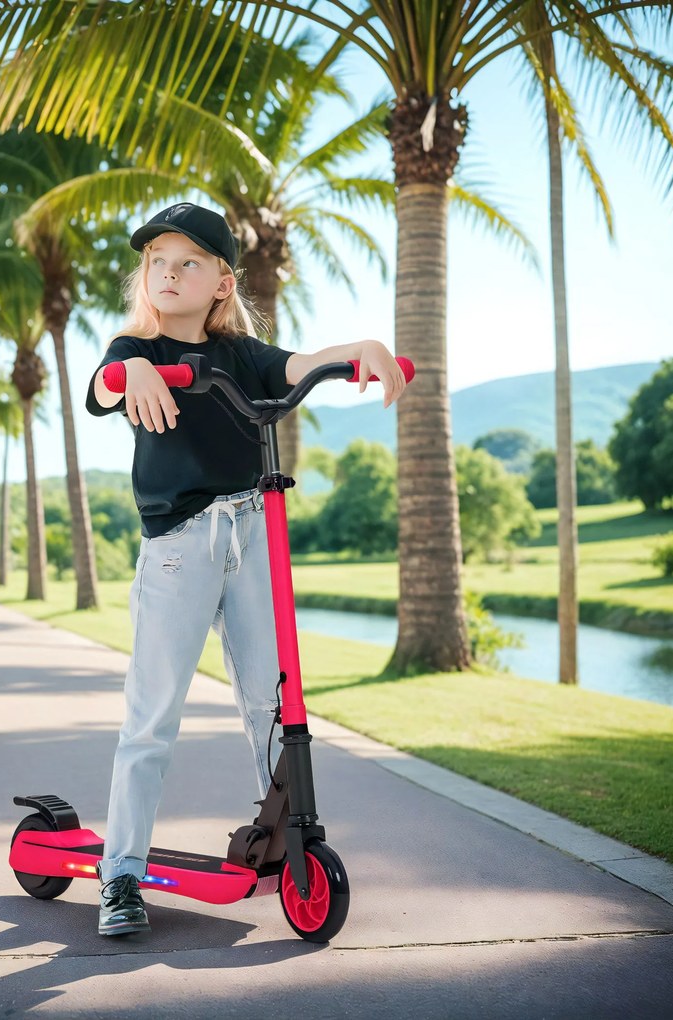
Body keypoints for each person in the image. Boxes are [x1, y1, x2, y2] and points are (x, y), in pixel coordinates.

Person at [85, 202, 407, 936]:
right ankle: (121, 877)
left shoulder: (241, 357)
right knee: (153, 714)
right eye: (157, 261)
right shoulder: (129, 347)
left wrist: (355, 349)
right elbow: (105, 386)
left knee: (272, 702)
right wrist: (132, 370)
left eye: (188, 262)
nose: (168, 272)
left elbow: (295, 367)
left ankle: (283, 840)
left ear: (223, 282)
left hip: (253, 530)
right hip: (178, 544)